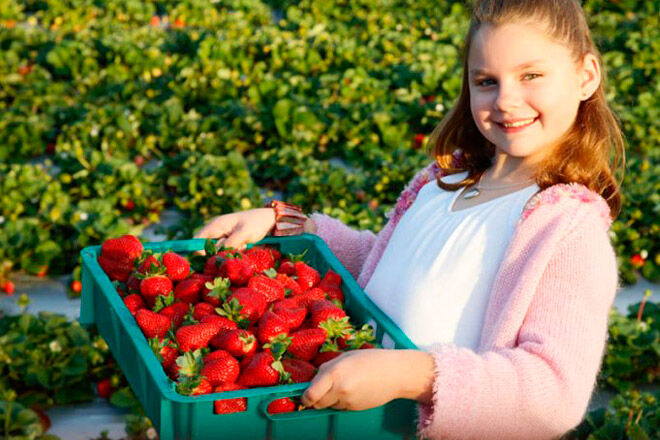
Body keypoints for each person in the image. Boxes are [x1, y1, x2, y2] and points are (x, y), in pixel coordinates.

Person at [194, 0, 625, 438]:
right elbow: (383, 267)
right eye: (486, 81)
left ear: (586, 76)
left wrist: (411, 376)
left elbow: (554, 396)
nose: (507, 100)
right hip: (348, 420)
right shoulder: (442, 183)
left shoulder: (567, 231)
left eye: (531, 75)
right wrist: (287, 224)